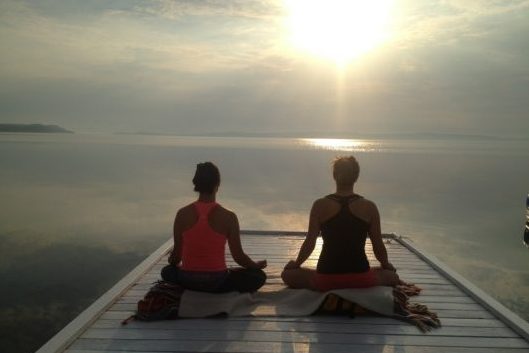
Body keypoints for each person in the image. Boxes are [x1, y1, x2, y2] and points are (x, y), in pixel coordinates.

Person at [281, 156, 399, 291]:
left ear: (334, 175)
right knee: (391, 275)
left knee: (287, 274)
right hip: (361, 279)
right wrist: (386, 264)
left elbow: (310, 243)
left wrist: (297, 264)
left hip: (326, 280)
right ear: (356, 177)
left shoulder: (320, 205)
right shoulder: (369, 207)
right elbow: (378, 245)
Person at [161, 162, 267, 293]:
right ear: (217, 185)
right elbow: (238, 257)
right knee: (258, 276)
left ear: (196, 184)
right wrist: (255, 266)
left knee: (167, 271)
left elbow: (176, 257)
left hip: (187, 280)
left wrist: (173, 260)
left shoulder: (182, 214)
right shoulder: (229, 217)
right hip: (217, 281)